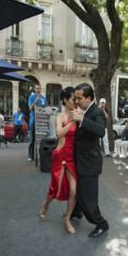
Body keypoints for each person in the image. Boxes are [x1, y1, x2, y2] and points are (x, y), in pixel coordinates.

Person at [69, 83, 110, 238]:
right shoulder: (83, 110)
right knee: (78, 191)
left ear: (89, 98)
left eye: (79, 98)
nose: (76, 100)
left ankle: (101, 224)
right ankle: (77, 211)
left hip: (90, 163)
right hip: (80, 161)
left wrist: (82, 119)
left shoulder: (97, 112)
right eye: (75, 97)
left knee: (89, 199)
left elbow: (100, 131)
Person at [39, 87, 79, 234]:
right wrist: (71, 121)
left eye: (76, 99)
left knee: (74, 191)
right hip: (60, 155)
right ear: (65, 100)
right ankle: (46, 204)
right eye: (73, 99)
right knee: (55, 188)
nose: (76, 101)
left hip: (72, 157)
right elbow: (59, 134)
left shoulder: (79, 114)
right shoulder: (60, 116)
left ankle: (67, 219)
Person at [27, 84, 47, 162]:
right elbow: (30, 108)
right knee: (32, 139)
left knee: (41, 139)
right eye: (37, 88)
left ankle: (41, 155)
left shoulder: (44, 98)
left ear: (41, 89)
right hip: (33, 120)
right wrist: (36, 101)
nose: (38, 89)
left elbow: (46, 109)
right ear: (35, 89)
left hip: (42, 121)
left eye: (39, 88)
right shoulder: (31, 97)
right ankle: (30, 155)